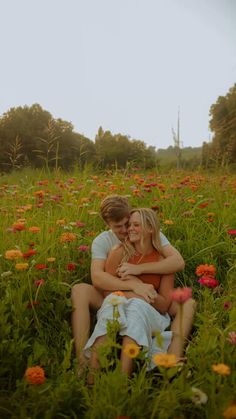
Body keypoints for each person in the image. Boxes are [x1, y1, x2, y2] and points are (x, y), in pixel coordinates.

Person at [71, 195, 195, 369]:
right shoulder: (104, 241)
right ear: (108, 225)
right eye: (117, 227)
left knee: (187, 303)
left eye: (127, 223)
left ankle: (173, 356)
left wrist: (140, 270)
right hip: (114, 294)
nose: (124, 230)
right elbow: (98, 278)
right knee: (79, 290)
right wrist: (134, 285)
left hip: (152, 296)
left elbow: (177, 262)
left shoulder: (149, 232)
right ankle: (82, 359)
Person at [84, 208, 175, 378]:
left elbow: (163, 306)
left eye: (135, 225)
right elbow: (107, 292)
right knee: (112, 306)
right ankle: (91, 380)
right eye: (128, 225)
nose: (129, 229)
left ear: (150, 229)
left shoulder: (164, 261)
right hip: (120, 302)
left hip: (151, 312)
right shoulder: (119, 251)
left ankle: (123, 380)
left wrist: (139, 287)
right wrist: (135, 288)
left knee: (136, 308)